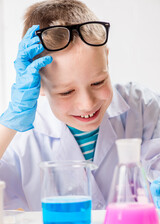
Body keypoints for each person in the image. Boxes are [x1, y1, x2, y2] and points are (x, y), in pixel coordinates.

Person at [0, 0, 160, 211]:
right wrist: (7, 128)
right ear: (38, 83)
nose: (87, 104)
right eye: (66, 91)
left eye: (98, 82)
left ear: (107, 60)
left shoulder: (142, 107)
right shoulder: (17, 138)